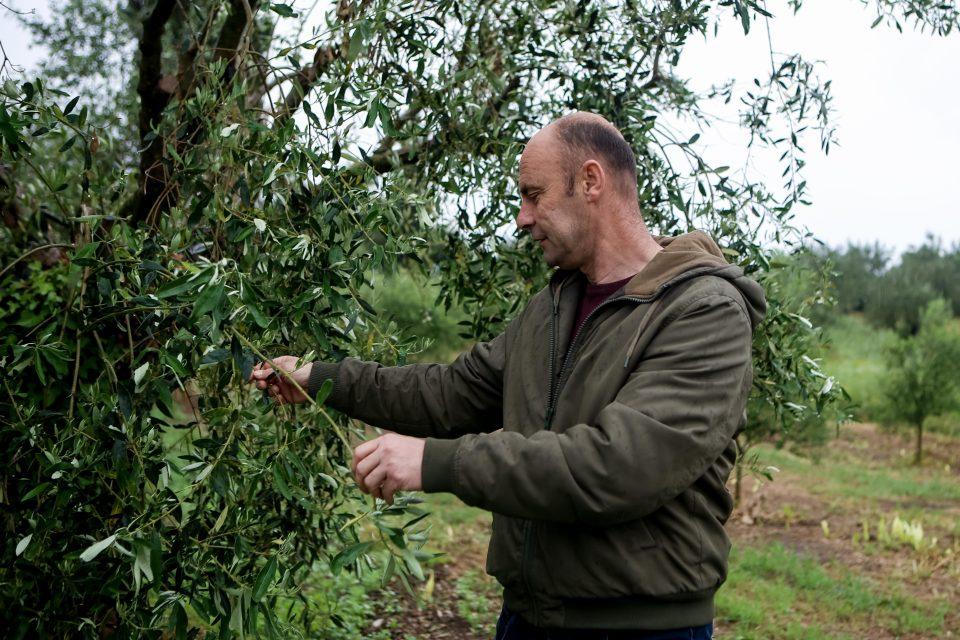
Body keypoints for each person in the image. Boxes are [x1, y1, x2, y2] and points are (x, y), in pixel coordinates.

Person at [250, 111, 766, 639]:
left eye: (534, 195)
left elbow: (617, 466)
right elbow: (450, 394)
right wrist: (321, 380)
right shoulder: (552, 308)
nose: (522, 218)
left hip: (640, 629)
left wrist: (436, 463)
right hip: (527, 617)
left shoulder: (702, 311)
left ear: (591, 181)